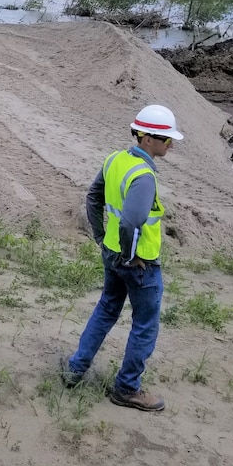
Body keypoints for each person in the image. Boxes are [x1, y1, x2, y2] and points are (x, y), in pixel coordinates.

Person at [62, 104, 184, 412]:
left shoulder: (116, 159)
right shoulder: (144, 176)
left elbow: (94, 197)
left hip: (112, 254)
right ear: (146, 139)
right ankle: (128, 388)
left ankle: (76, 368)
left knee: (107, 308)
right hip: (139, 264)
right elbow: (131, 222)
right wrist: (130, 257)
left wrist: (101, 237)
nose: (170, 144)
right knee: (145, 325)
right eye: (165, 139)